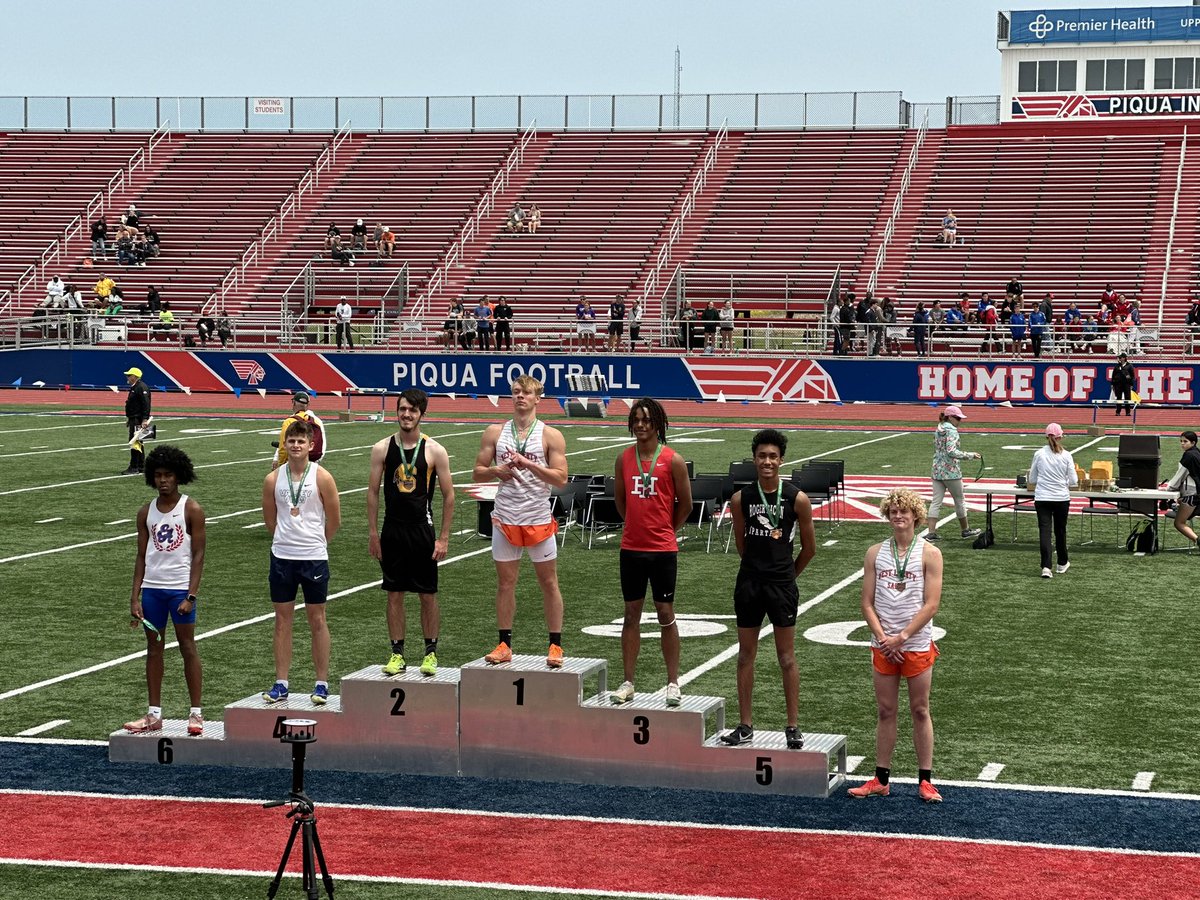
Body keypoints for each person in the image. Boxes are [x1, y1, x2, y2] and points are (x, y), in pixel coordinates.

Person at [719, 429, 816, 750]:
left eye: (773, 456)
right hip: (749, 584)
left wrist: (788, 576)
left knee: (786, 657)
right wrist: (759, 571)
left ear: (782, 459)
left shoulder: (796, 499)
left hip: (782, 587)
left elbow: (809, 549)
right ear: (754, 459)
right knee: (745, 655)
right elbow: (741, 544)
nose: (767, 462)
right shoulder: (741, 499)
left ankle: (792, 726)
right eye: (762, 456)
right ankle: (745, 725)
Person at [847, 488, 944, 803]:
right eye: (893, 512)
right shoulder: (875, 552)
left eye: (904, 511)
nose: (899, 516)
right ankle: (881, 778)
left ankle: (926, 780)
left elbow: (931, 605)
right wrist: (882, 638)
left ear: (915, 515)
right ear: (887, 516)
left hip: (914, 643)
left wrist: (900, 637)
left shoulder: (930, 553)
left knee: (920, 709)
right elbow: (866, 603)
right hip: (883, 645)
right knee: (886, 710)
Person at [472, 375, 568, 668]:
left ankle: (555, 645)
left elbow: (561, 479)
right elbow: (477, 471)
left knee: (549, 582)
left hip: (537, 517)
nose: (520, 397)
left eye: (526, 393)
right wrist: (497, 471)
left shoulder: (550, 435)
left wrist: (528, 464)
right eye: (515, 392)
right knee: (505, 584)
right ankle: (504, 644)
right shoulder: (494, 432)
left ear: (538, 398)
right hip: (505, 517)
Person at [611, 398, 693, 707]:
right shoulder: (623, 459)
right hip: (631, 548)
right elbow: (621, 502)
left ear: (658, 423)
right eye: (636, 420)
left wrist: (666, 530)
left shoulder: (673, 460)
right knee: (630, 614)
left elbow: (685, 504)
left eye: (646, 419)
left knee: (665, 613)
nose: (641, 425)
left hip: (662, 551)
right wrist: (635, 524)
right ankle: (628, 680)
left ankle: (673, 682)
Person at [367, 390, 455, 677]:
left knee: (427, 594)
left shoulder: (434, 450)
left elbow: (449, 495)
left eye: (412, 410)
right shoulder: (382, 448)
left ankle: (430, 653)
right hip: (392, 529)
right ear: (397, 410)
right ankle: (397, 653)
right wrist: (372, 533)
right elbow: (371, 492)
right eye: (403, 409)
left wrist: (443, 537)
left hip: (422, 530)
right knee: (394, 594)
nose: (407, 414)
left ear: (422, 414)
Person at [123, 446, 206, 736]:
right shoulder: (145, 512)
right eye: (157, 475)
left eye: (168, 475)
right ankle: (154, 714)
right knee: (154, 649)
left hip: (179, 591)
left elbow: (198, 555)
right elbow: (140, 556)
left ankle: (196, 713)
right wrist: (135, 596)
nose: (163, 480)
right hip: (152, 592)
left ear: (178, 475)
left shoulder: (191, 509)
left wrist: (190, 595)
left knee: (188, 648)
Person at [261, 418, 341, 705]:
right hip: (282, 557)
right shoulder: (273, 479)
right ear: (285, 444)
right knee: (282, 621)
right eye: (291, 441)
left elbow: (334, 520)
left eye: (301, 441)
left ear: (311, 445)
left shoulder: (322, 477)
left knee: (317, 619)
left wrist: (315, 542)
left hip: (313, 558)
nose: (295, 445)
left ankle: (321, 683)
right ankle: (281, 682)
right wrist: (286, 539)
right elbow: (270, 520)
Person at [1028, 423, 1077, 579]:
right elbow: (1073, 481)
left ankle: (1046, 567)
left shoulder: (1039, 454)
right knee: (1060, 531)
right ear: (1060, 437)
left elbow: (1032, 478)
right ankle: (1062, 562)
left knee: (1045, 532)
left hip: (1042, 498)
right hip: (1061, 498)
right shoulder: (1066, 455)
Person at [925, 406, 982, 541]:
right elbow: (951, 451)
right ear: (950, 417)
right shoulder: (952, 431)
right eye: (957, 418)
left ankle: (931, 532)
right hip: (951, 471)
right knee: (959, 500)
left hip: (937, 469)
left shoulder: (939, 428)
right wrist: (970, 455)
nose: (959, 421)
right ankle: (965, 530)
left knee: (936, 501)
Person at [1162, 431, 1200, 550]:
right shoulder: (1198, 453)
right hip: (1196, 493)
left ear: (1193, 442)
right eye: (1181, 441)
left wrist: (1169, 488)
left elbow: (1180, 475)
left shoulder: (1188, 456)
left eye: (1185, 441)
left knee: (1179, 523)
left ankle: (1198, 541)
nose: (1182, 444)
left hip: (1192, 494)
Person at [273, 392, 325, 469]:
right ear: (307, 405)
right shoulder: (316, 421)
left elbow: (283, 446)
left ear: (293, 403)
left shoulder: (289, 421)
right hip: (312, 463)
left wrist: (280, 463)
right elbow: (322, 443)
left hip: (292, 463)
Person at [123, 366, 152, 475]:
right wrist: (129, 418)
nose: (127, 377)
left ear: (135, 377)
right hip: (134, 418)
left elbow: (146, 404)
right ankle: (141, 466)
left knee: (135, 442)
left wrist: (144, 419)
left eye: (129, 375)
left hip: (138, 419)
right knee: (138, 442)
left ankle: (134, 467)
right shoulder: (136, 387)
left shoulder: (141, 387)